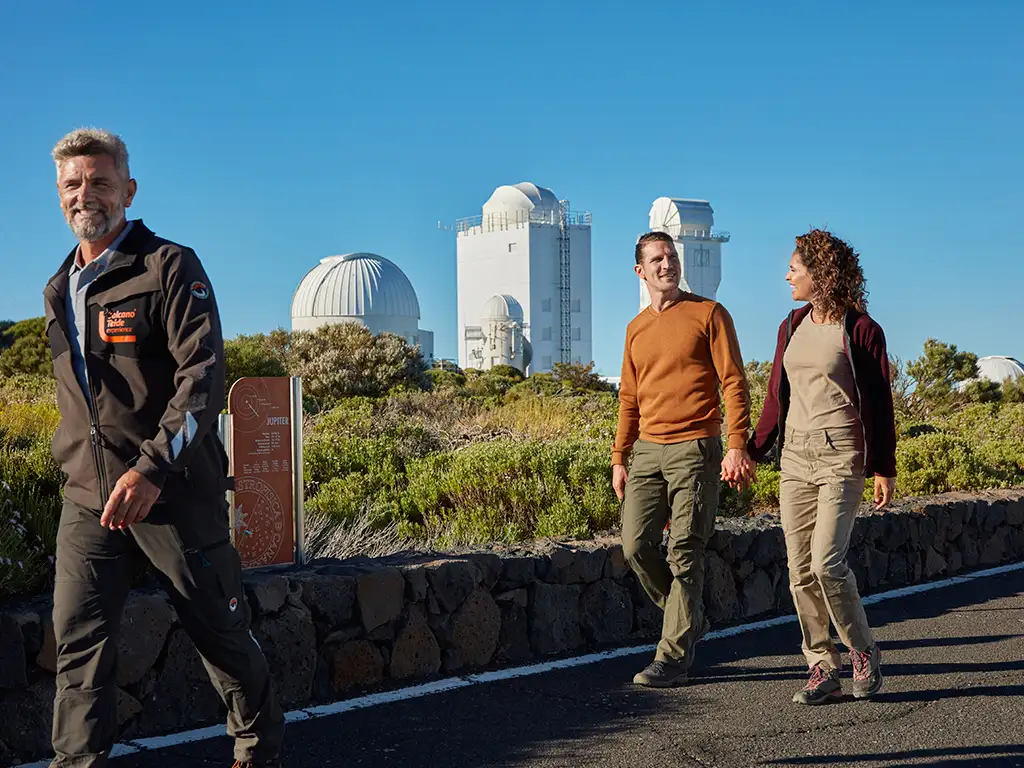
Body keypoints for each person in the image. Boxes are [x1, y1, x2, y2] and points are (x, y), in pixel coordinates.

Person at [42, 128, 284, 767]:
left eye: (98, 180)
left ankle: (257, 750)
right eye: (72, 183)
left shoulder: (168, 265)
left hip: (171, 493)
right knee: (79, 644)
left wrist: (151, 468)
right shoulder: (59, 286)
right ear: (59, 194)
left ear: (129, 188)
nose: (84, 194)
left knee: (219, 631)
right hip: (90, 500)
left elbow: (202, 377)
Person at [748, 228, 896, 705]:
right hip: (794, 457)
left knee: (827, 563)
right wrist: (751, 451)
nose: (787, 274)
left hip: (841, 456)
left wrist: (883, 467)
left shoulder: (860, 329)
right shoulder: (790, 326)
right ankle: (821, 666)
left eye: (795, 266)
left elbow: (878, 402)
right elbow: (775, 397)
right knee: (798, 571)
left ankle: (862, 649)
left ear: (821, 274)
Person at [613, 231, 755, 687]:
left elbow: (733, 381)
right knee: (635, 545)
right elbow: (629, 399)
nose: (666, 265)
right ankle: (688, 615)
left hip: (696, 444)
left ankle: (672, 657)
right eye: (656, 259)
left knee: (685, 548)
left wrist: (736, 444)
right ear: (640, 270)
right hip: (648, 451)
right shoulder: (635, 329)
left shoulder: (709, 314)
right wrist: (620, 456)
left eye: (671, 257)